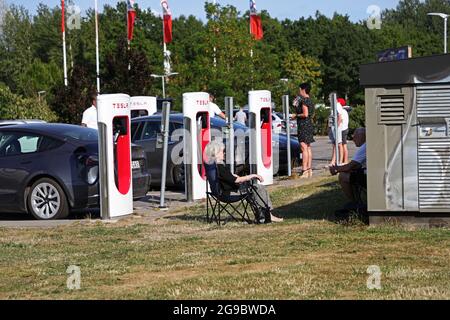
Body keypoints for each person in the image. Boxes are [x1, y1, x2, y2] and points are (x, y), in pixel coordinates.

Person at [205, 141, 284, 223]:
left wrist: (234, 175)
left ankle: (261, 215)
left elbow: (226, 177)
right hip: (227, 194)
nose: (224, 153)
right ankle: (267, 215)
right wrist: (253, 176)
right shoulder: (220, 166)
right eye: (222, 151)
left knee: (253, 190)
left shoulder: (212, 165)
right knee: (259, 188)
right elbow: (236, 180)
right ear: (216, 153)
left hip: (219, 193)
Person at [330, 128, 366, 207]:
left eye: (355, 136)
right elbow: (355, 165)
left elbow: (350, 166)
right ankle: (357, 200)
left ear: (362, 136)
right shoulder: (366, 146)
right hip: (367, 173)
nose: (353, 139)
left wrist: (336, 169)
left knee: (343, 176)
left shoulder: (364, 147)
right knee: (350, 173)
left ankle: (354, 202)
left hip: (367, 177)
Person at [292, 83, 315, 178]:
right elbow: (311, 114)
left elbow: (305, 114)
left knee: (303, 147)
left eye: (299, 89)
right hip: (309, 125)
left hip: (303, 125)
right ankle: (309, 170)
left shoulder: (304, 100)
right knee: (308, 147)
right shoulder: (310, 100)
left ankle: (304, 170)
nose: (299, 91)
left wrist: (296, 115)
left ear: (303, 90)